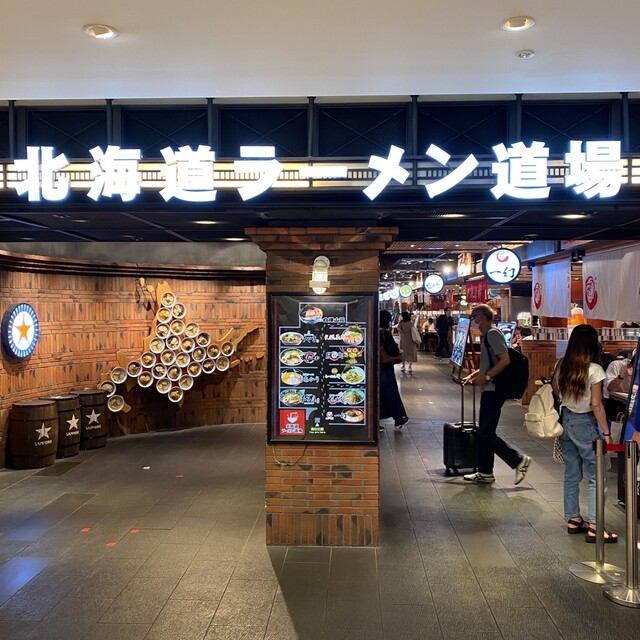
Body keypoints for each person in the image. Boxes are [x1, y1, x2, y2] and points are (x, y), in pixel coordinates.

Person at [552, 324, 618, 542]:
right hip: (585, 423)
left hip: (565, 421)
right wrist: (606, 432)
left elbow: (556, 391)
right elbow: (596, 404)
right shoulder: (594, 370)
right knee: (597, 475)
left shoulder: (562, 364)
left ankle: (573, 519)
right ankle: (595, 525)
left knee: (572, 473)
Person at [462, 304, 532, 485]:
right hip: (490, 388)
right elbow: (491, 362)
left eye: (474, 316)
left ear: (481, 317)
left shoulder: (492, 334)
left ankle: (518, 460)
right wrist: (475, 374)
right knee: (486, 431)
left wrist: (486, 377)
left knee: (485, 432)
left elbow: (505, 360)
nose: (473, 320)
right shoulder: (487, 335)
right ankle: (485, 472)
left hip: (494, 389)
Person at [379, 310, 409, 430]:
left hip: (373, 367)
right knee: (391, 393)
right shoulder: (385, 334)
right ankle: (398, 418)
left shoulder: (371, 332)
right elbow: (393, 351)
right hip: (385, 368)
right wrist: (398, 350)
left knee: (378, 395)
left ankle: (377, 421)